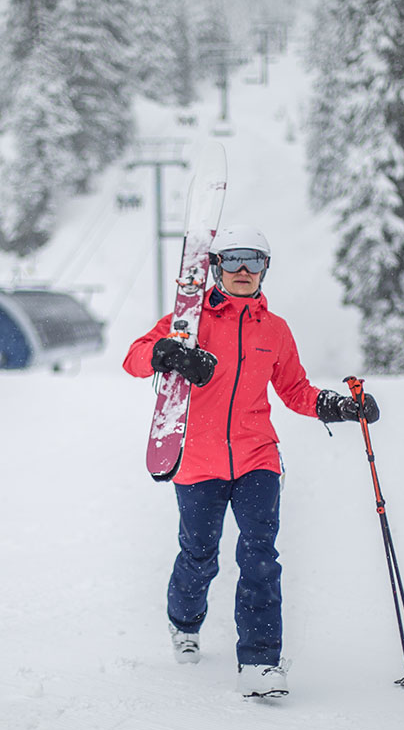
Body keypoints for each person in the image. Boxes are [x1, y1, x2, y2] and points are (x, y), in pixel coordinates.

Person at [122, 224, 380, 698]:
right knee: (200, 555)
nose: (244, 271)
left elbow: (295, 390)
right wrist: (168, 354)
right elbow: (134, 358)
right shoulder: (190, 320)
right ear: (217, 266)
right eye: (234, 260)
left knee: (260, 555)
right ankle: (184, 621)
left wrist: (337, 406)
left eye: (255, 261)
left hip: (257, 456)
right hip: (196, 459)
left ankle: (261, 662)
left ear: (266, 269)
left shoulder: (275, 330)